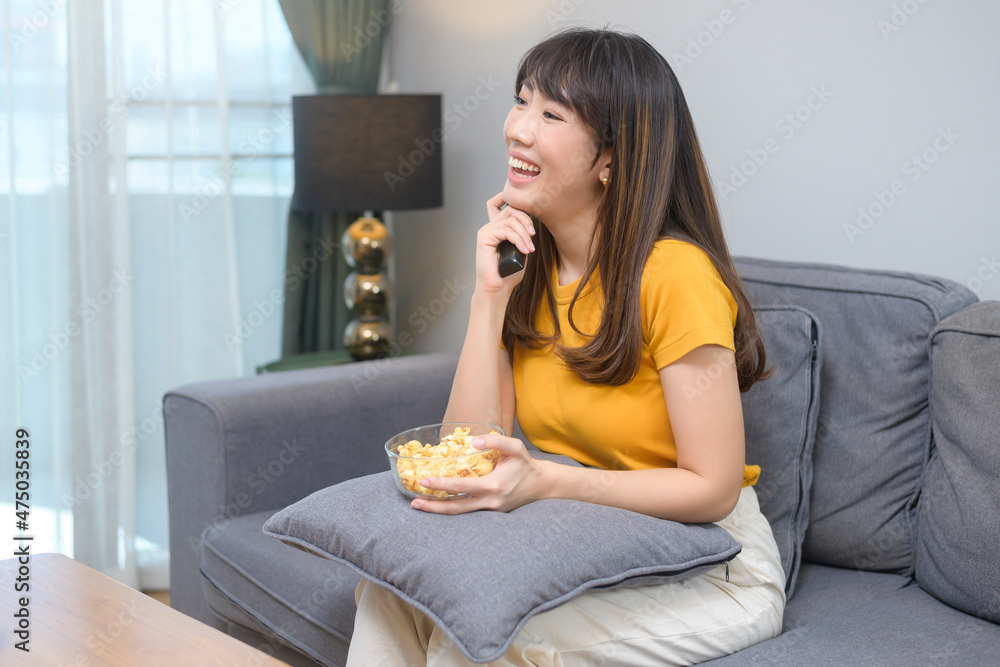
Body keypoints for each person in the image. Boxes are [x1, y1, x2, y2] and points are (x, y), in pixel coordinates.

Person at [346, 27, 786, 666]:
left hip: (712, 566)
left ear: (612, 157)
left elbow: (713, 489)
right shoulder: (528, 266)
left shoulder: (674, 276)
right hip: (600, 545)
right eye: (521, 100)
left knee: (489, 642)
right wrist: (487, 299)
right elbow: (467, 451)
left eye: (550, 114)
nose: (517, 129)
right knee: (390, 591)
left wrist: (548, 482)